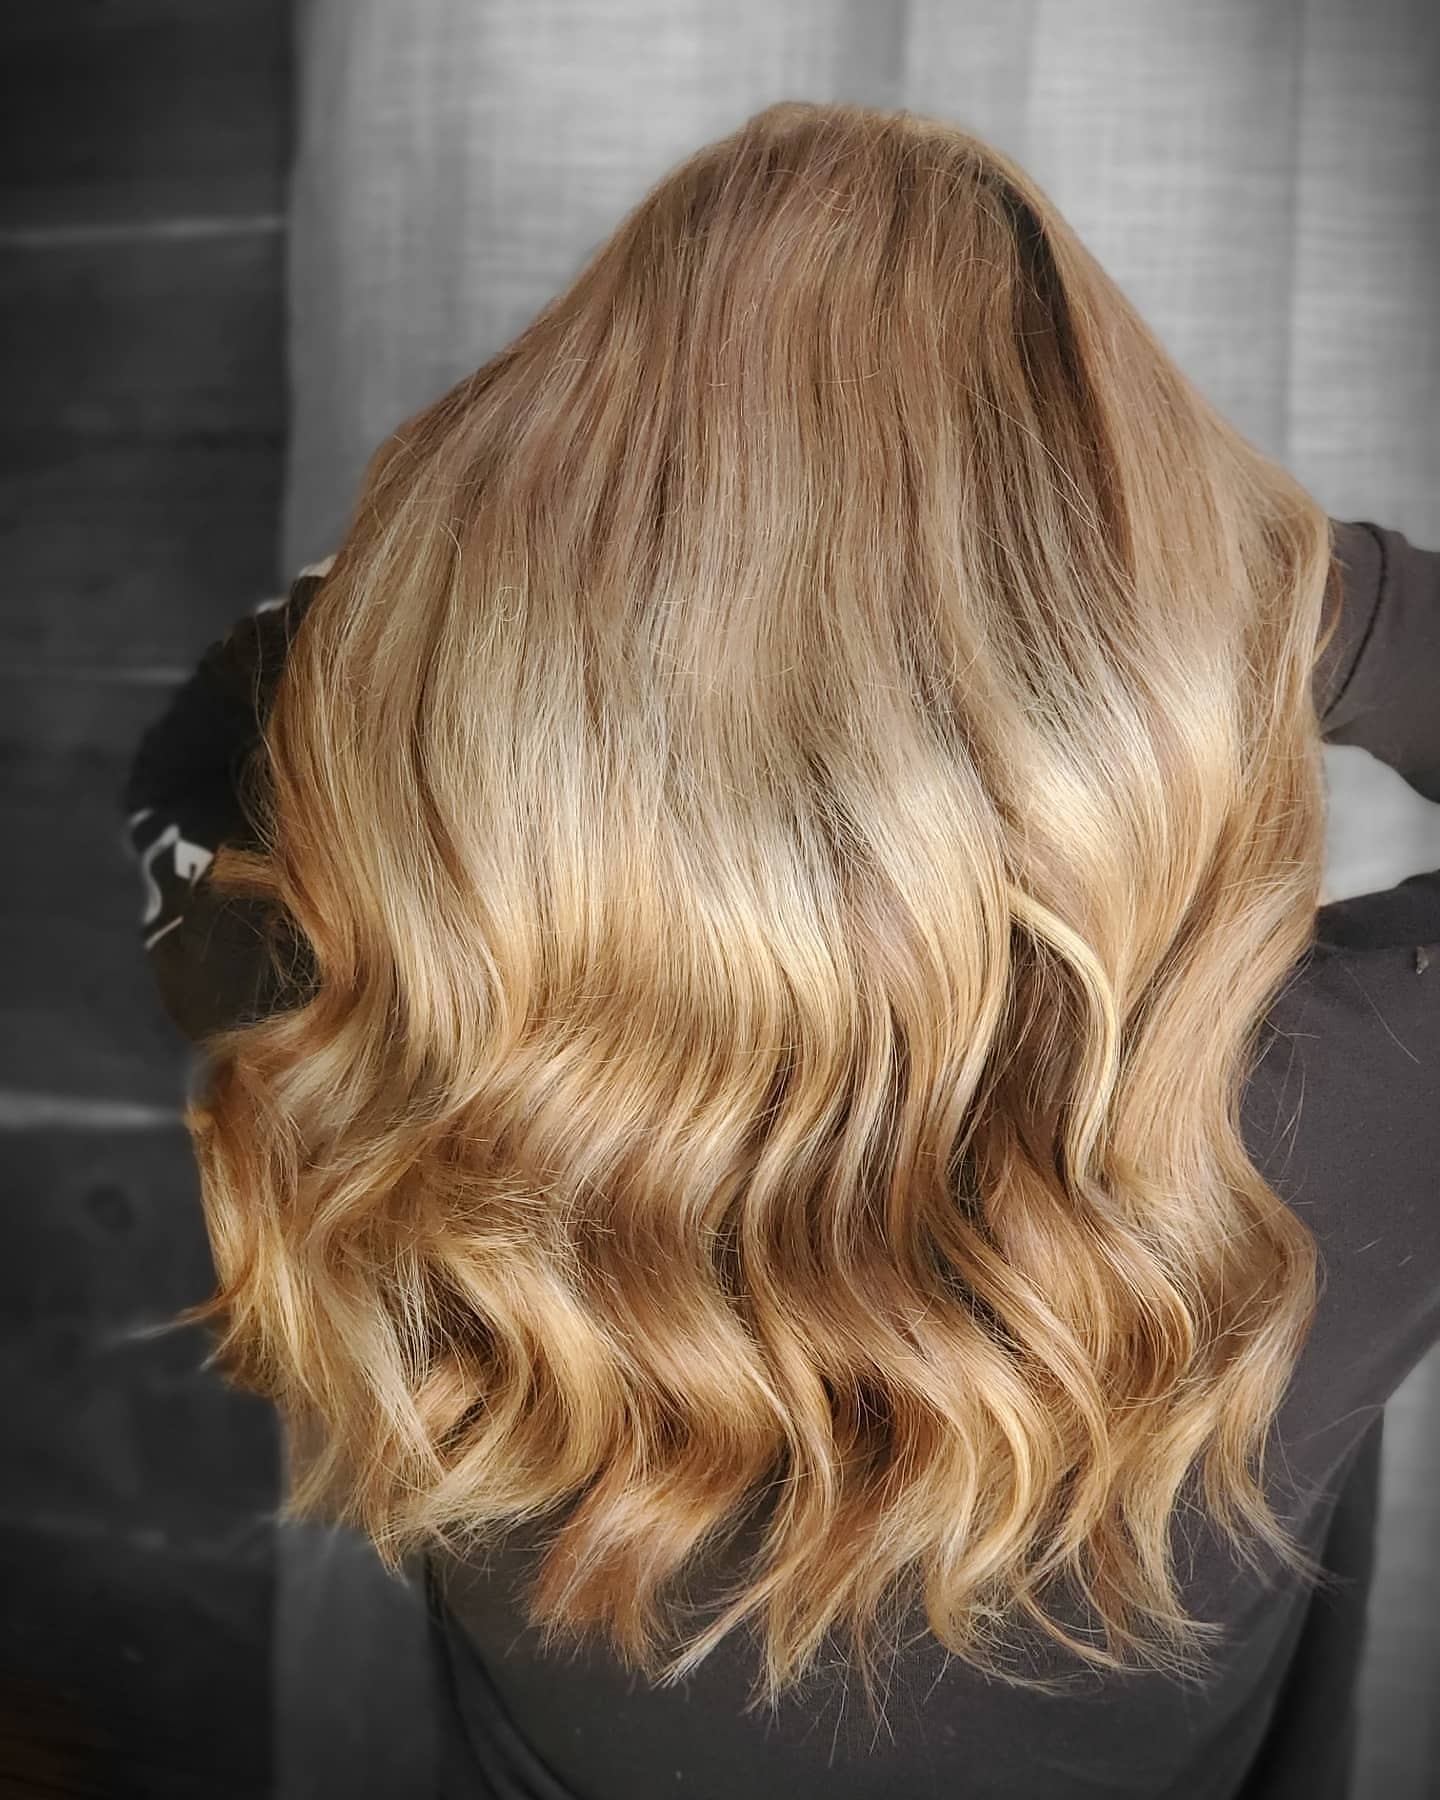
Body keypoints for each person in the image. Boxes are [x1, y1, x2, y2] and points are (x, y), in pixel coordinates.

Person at [119, 101, 1440, 1800]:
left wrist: (486, 566)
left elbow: (199, 740)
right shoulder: (1355, 1110)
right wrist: (1271, 588)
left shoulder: (338, 989)